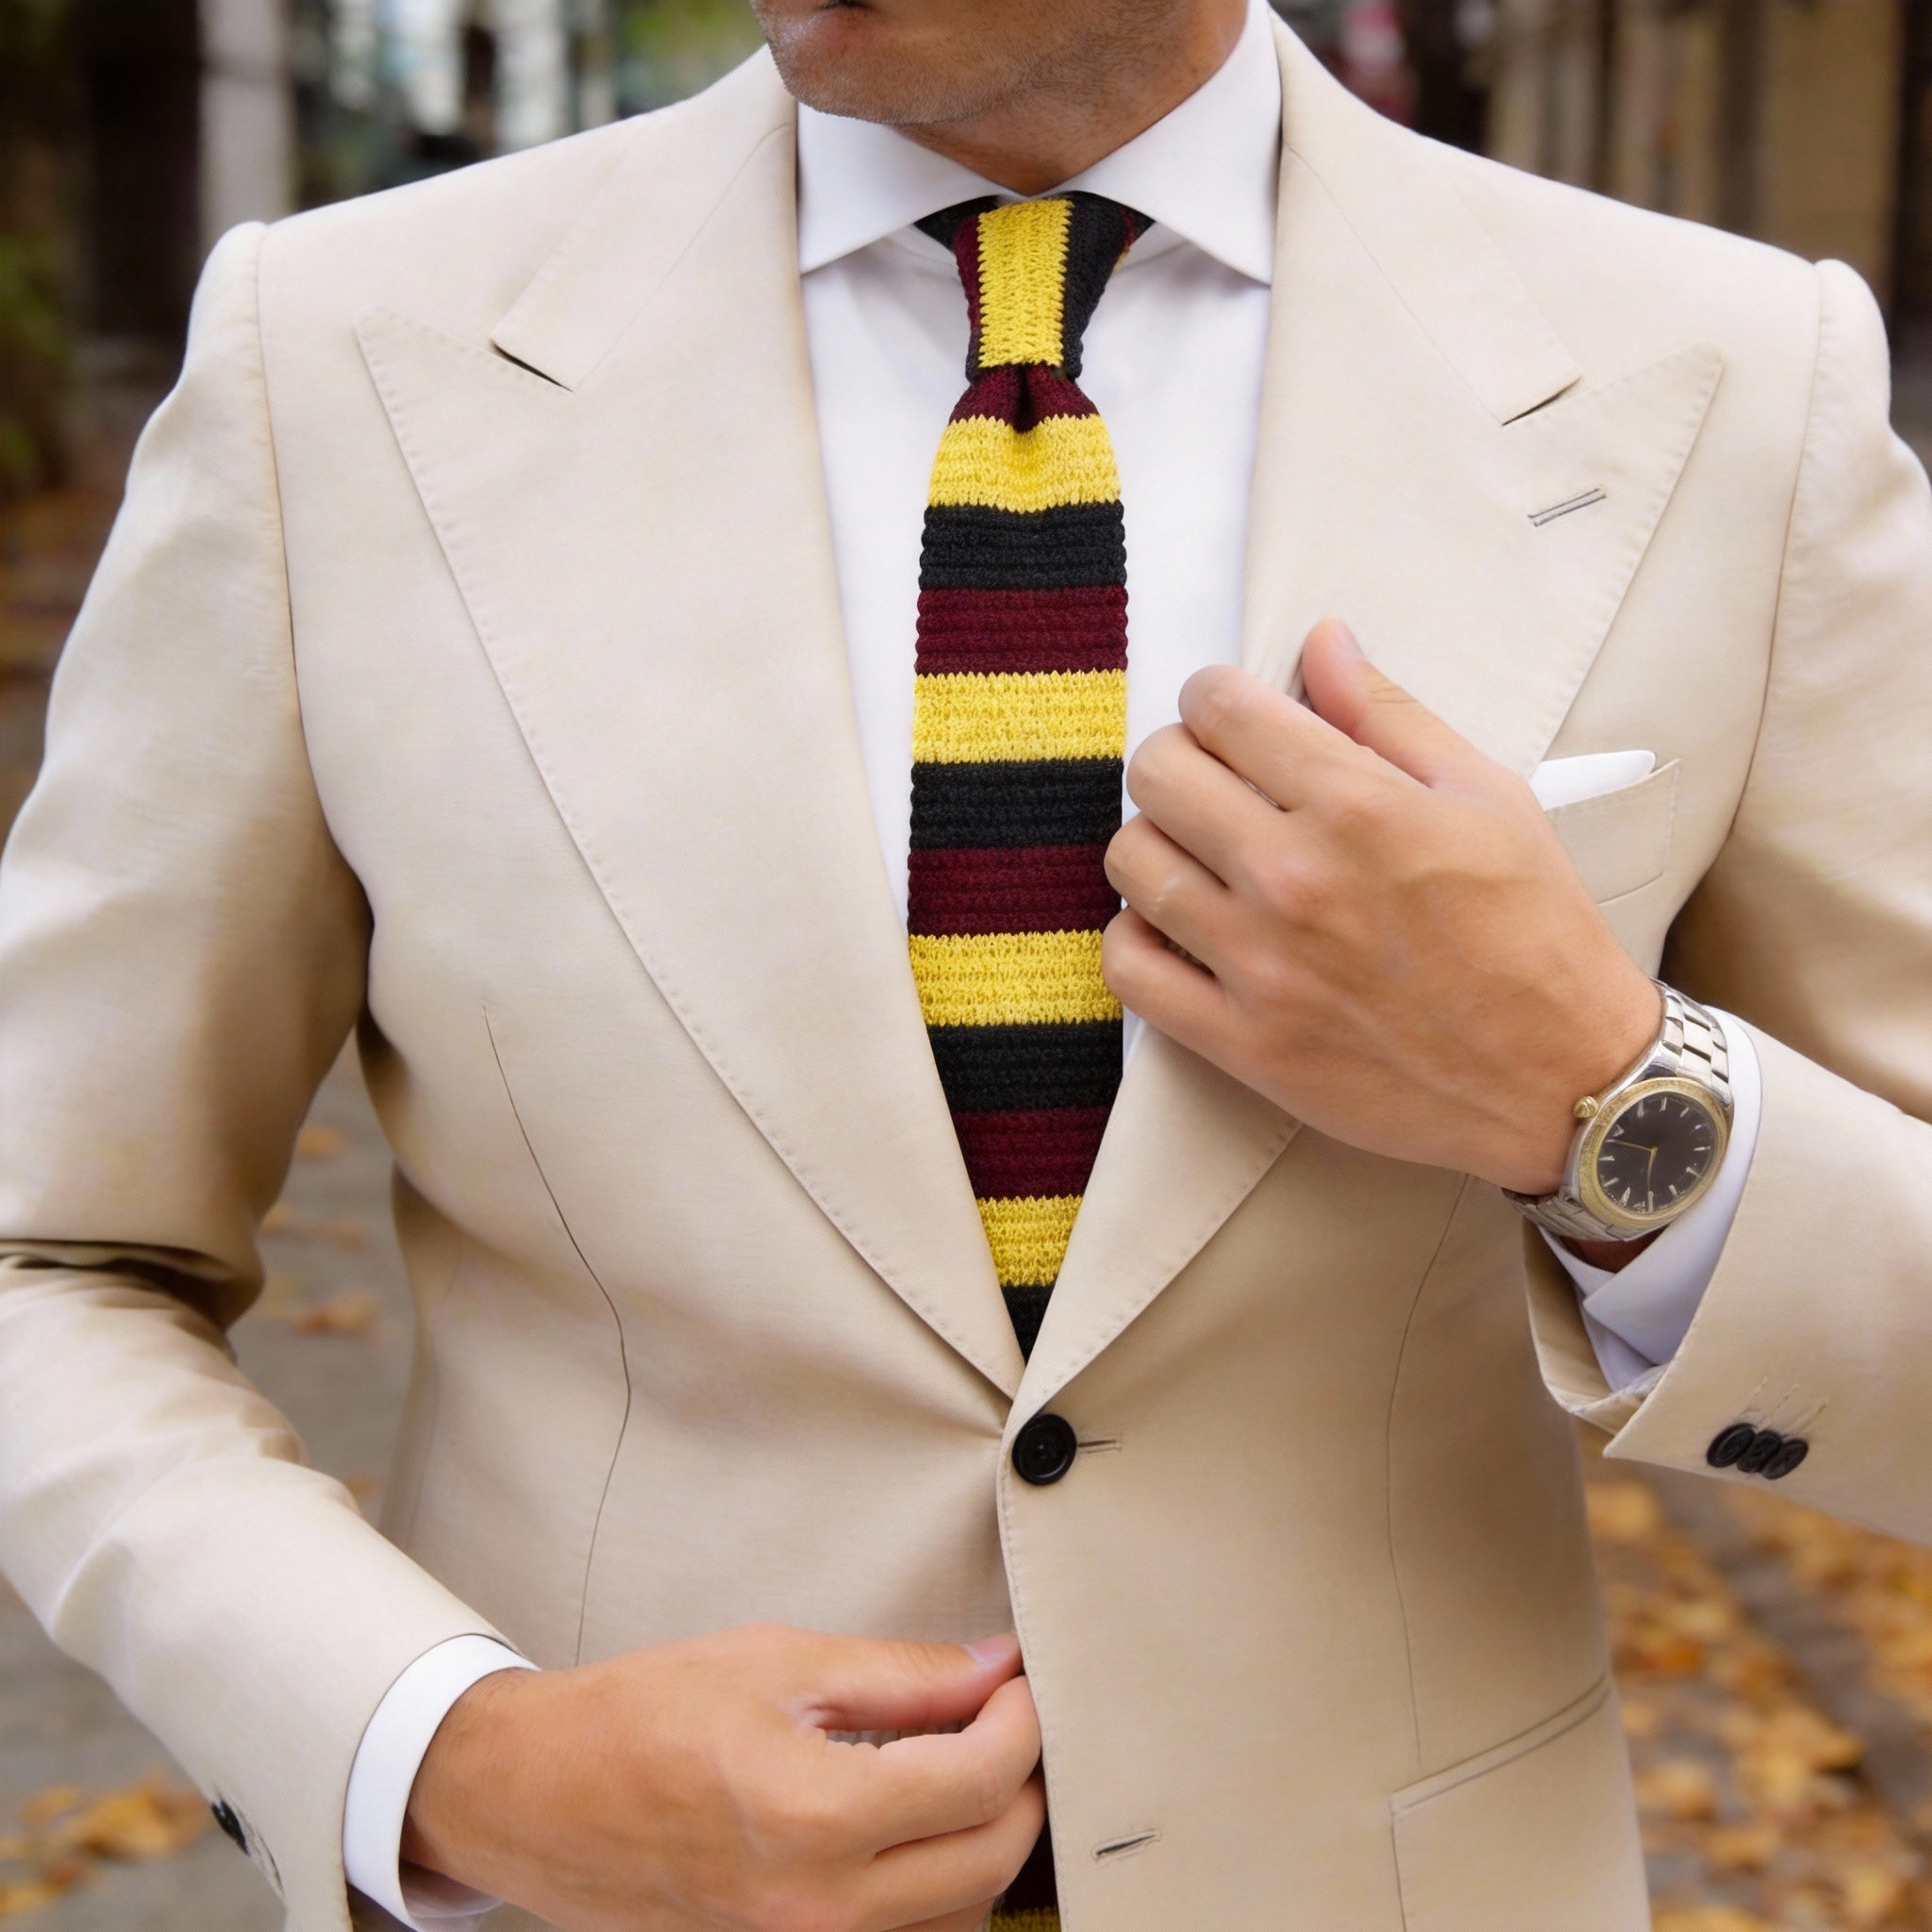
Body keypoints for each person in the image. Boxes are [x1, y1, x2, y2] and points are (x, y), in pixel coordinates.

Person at [1, 0, 1928, 1924]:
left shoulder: (1733, 383)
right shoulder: (336, 358)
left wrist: (1604, 1099)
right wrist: (447, 1757)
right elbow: (49, 1255)